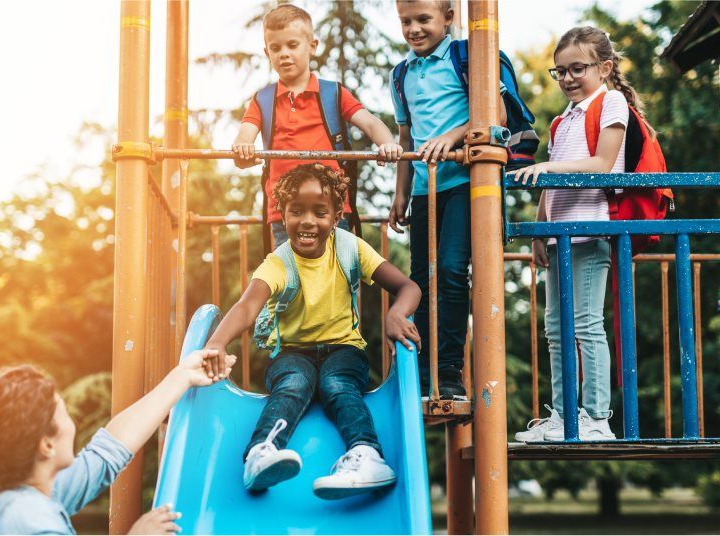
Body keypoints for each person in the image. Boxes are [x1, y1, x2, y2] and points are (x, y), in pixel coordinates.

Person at [201, 163, 422, 500]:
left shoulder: (350, 248)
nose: (307, 221)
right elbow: (247, 306)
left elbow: (408, 287)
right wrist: (217, 341)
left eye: (319, 212)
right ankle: (260, 454)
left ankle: (366, 455)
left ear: (335, 216)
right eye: (296, 211)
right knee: (293, 383)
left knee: (337, 383)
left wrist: (396, 313)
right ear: (282, 215)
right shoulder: (279, 262)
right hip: (293, 353)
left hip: (343, 349)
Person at [0, 349, 235, 534]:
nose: (73, 423)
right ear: (46, 446)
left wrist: (182, 376)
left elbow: (108, 451)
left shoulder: (18, 494)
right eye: (64, 412)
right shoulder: (29, 519)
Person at [512, 26, 647, 441]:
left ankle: (596, 417)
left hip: (592, 230)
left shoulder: (611, 103)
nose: (568, 78)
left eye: (577, 69)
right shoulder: (561, 121)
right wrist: (539, 229)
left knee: (586, 325)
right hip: (559, 236)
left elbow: (603, 163)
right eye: (560, 71)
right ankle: (563, 416)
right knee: (555, 328)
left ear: (604, 67)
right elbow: (551, 183)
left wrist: (547, 167)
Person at [388, 0, 505, 400]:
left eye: (423, 19)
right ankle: (423, 371)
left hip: (464, 186)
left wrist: (452, 138)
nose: (414, 28)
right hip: (424, 188)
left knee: (453, 270)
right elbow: (406, 139)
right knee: (420, 279)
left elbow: (497, 117)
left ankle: (449, 369)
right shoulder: (401, 74)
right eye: (406, 20)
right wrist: (400, 192)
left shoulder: (466, 56)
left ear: (449, 18)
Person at [231, 3, 403, 248]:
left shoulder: (332, 93)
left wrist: (387, 143)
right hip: (285, 212)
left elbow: (370, 122)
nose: (283, 54)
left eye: (292, 45)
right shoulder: (263, 100)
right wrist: (242, 151)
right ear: (267, 52)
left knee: (339, 276)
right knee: (292, 281)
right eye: (275, 48)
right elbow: (243, 138)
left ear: (312, 46)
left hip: (330, 208)